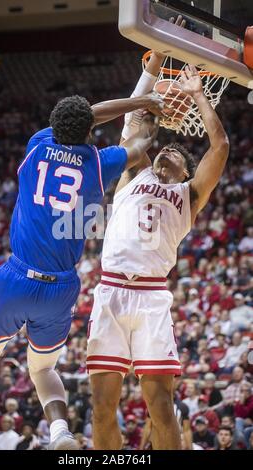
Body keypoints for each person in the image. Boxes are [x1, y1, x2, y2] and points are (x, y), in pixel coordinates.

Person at [0, 92, 163, 450]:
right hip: (61, 288)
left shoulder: (37, 144)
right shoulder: (100, 164)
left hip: (17, 277)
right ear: (89, 132)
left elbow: (87, 117)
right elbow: (141, 143)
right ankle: (60, 433)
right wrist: (149, 112)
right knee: (42, 369)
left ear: (55, 127)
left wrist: (139, 101)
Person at [87, 44, 230, 450]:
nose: (167, 152)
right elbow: (133, 124)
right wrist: (151, 74)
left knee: (161, 407)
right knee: (101, 406)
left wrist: (199, 95)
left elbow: (219, 147)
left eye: (176, 155)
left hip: (151, 298)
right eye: (163, 150)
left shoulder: (190, 196)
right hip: (111, 290)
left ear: (186, 172)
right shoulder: (134, 172)